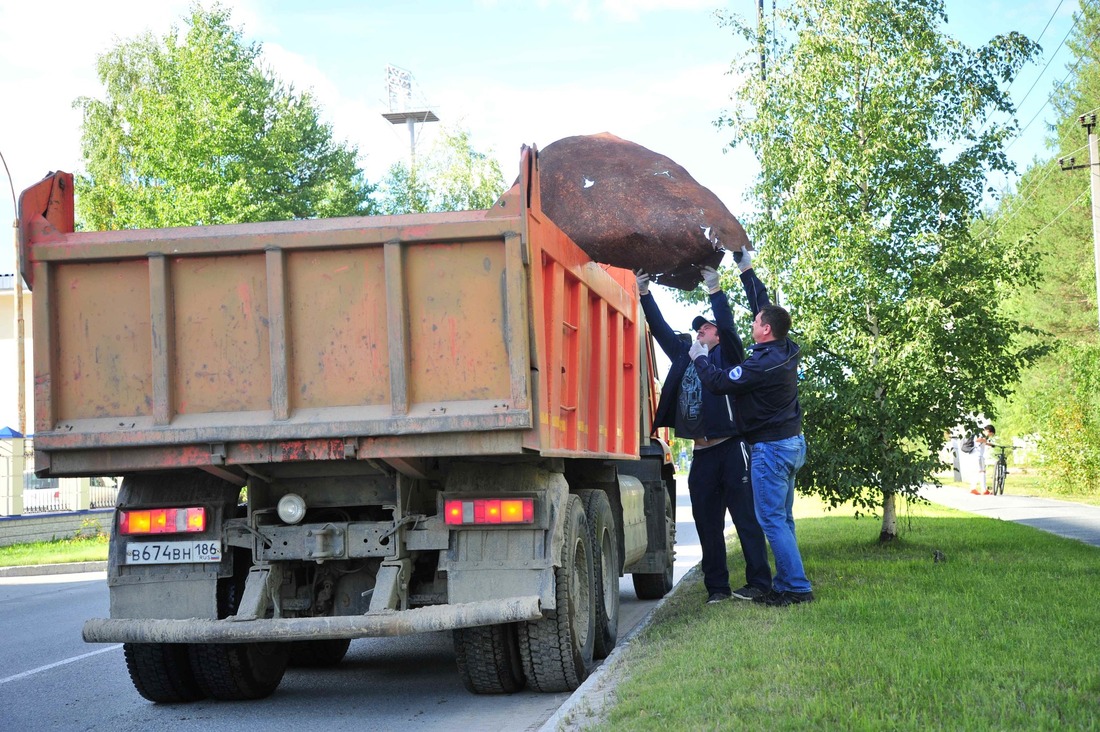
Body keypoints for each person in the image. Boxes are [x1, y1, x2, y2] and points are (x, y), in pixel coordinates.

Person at [635, 254, 771, 605]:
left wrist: (715, 288)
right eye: (698, 328)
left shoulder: (730, 354)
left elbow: (726, 323)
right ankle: (718, 589)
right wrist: (645, 294)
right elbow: (662, 330)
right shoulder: (686, 353)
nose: (701, 331)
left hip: (732, 449)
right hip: (702, 455)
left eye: (705, 327)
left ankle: (759, 582)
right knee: (707, 526)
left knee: (746, 520)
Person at [689, 246, 813, 607]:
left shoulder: (761, 365)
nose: (753, 322)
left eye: (757, 322)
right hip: (790, 443)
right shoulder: (786, 347)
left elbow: (718, 382)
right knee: (782, 519)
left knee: (771, 520)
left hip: (772, 449)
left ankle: (797, 589)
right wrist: (746, 269)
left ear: (766, 331)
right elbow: (764, 304)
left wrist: (699, 357)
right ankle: (789, 581)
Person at [968, 424, 996, 495]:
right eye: (991, 434)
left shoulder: (982, 435)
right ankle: (983, 489)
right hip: (978, 455)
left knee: (979, 472)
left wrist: (989, 444)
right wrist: (985, 440)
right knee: (982, 472)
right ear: (988, 431)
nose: (990, 435)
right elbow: (977, 440)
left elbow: (982, 443)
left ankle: (974, 488)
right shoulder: (980, 433)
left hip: (978, 455)